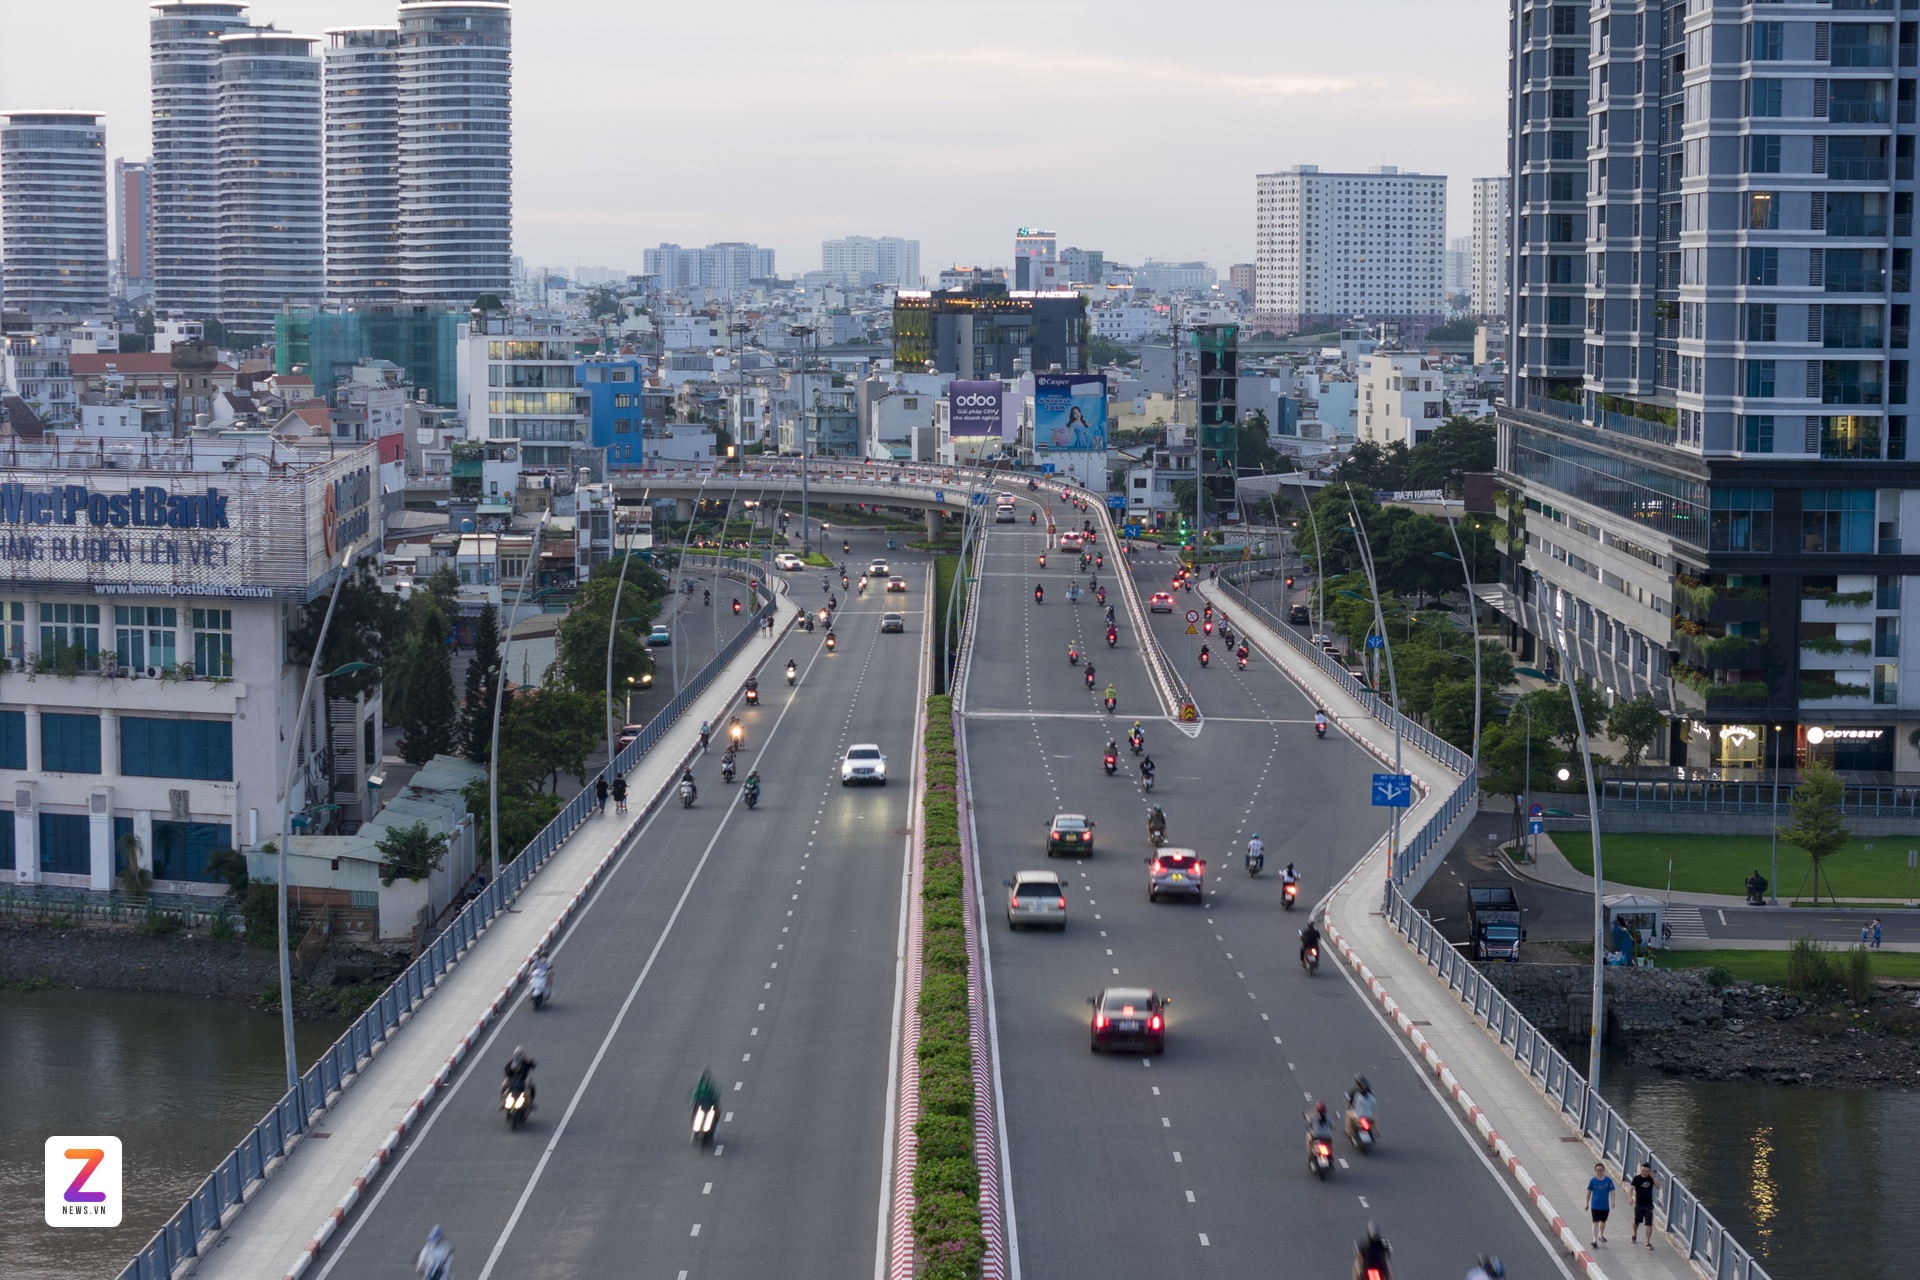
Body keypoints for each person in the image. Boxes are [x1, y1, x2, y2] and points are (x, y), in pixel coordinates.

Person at [1587, 1161, 1616, 1246]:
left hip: (1605, 1206)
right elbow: (1588, 1192)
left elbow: (1612, 1190)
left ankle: (1601, 1234)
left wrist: (1613, 1201)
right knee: (1595, 1222)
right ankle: (1594, 1240)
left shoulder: (1608, 1181)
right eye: (1597, 1170)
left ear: (1604, 1170)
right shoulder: (1592, 1181)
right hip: (1595, 1205)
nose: (1599, 1171)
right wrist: (1587, 1203)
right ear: (1595, 1171)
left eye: (1601, 1170)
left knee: (1603, 1221)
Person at [1629, 1161, 1657, 1248]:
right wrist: (1630, 1197)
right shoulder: (1636, 1179)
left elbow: (1658, 1186)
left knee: (1649, 1223)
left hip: (1648, 1205)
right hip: (1639, 1204)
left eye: (1646, 1171)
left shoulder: (1650, 1179)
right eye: (1642, 1171)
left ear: (1649, 1171)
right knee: (1637, 1221)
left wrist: (1654, 1178)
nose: (1644, 1173)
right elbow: (1631, 1188)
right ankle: (1634, 1233)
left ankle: (1647, 1242)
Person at [1344, 1074, 1376, 1142]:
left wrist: (1350, 1105)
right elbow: (1373, 1106)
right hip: (1369, 1115)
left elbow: (1348, 1101)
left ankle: (1348, 1132)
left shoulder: (1355, 1092)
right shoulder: (1371, 1095)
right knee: (1375, 1118)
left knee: (1348, 1114)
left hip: (1358, 1115)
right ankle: (1375, 1131)